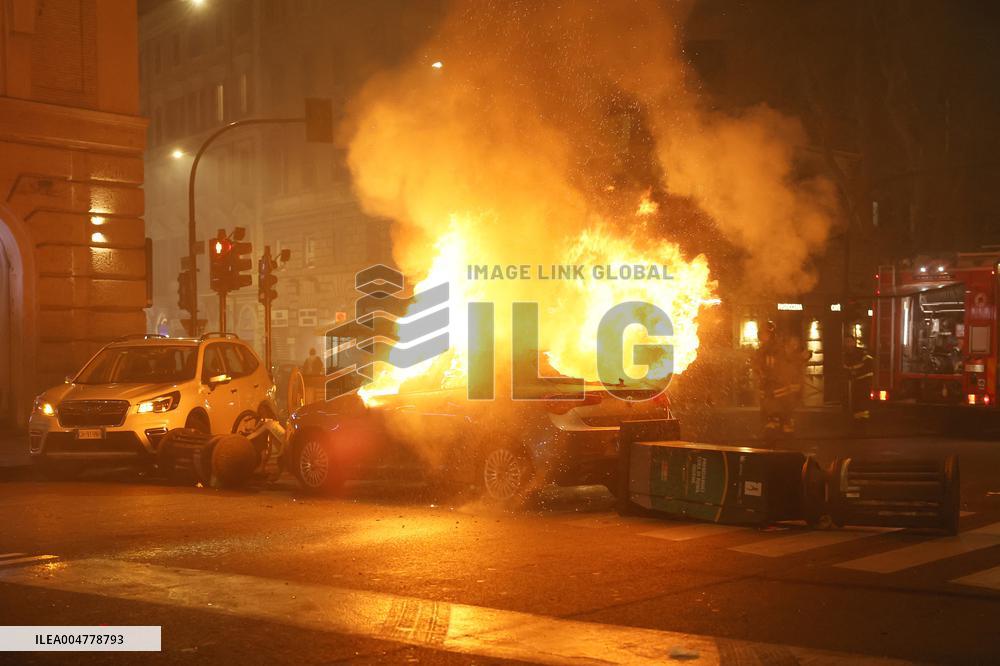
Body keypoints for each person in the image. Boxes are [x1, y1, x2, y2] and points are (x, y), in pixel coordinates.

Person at [754, 321, 784, 442]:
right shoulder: (762, 350)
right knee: (766, 412)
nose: (762, 336)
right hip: (766, 386)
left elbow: (783, 366)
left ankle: (773, 437)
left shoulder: (777, 349)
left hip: (775, 387)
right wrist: (759, 372)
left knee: (774, 413)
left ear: (770, 334)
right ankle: (769, 436)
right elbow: (757, 364)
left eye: (764, 333)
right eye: (761, 333)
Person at [843, 335, 874, 429]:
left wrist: (853, 370)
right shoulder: (845, 355)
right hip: (854, 382)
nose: (848, 344)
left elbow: (868, 363)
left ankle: (863, 423)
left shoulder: (862, 352)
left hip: (864, 381)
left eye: (850, 341)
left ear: (854, 342)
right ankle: (856, 422)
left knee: (862, 402)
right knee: (855, 402)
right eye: (846, 342)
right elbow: (844, 368)